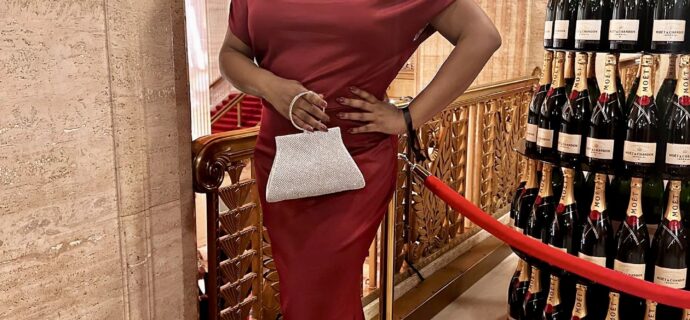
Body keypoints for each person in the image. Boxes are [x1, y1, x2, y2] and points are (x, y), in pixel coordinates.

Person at [218, 1, 500, 319]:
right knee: (309, 294)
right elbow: (232, 54)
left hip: (354, 163)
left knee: (318, 298)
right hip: (283, 158)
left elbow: (482, 36)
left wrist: (408, 117)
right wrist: (271, 88)